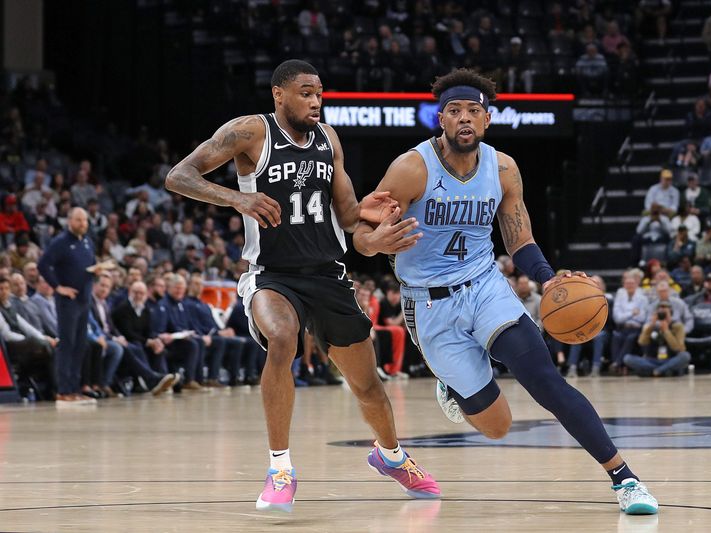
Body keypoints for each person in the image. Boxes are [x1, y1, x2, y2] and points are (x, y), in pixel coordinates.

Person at [353, 68, 657, 514]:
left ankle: (625, 478)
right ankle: (453, 384)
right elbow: (362, 227)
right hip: (429, 303)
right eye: (454, 111)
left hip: (484, 287)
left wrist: (548, 277)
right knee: (497, 427)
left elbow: (519, 239)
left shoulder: (503, 168)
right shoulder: (412, 167)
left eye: (473, 111)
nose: (464, 119)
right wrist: (371, 242)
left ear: (487, 119)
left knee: (546, 382)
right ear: (441, 119)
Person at [164, 59, 440, 512]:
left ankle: (390, 455)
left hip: (327, 273)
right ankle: (280, 469)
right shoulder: (251, 131)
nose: (316, 102)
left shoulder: (329, 138)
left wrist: (375, 225)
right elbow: (179, 176)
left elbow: (349, 219)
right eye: (306, 93)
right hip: (272, 274)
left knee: (367, 385)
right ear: (279, 94)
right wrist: (238, 197)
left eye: (319, 94)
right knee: (281, 336)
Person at [37, 207, 101, 405]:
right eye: (79, 220)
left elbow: (88, 265)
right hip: (68, 302)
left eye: (85, 221)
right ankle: (63, 390)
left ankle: (74, 388)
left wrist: (97, 270)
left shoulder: (88, 241)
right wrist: (58, 287)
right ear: (69, 221)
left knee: (81, 345)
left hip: (84, 300)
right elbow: (43, 264)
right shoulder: (61, 242)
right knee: (67, 345)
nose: (83, 224)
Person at [623, 302, 691, 377]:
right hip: (653, 360)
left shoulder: (678, 327)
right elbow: (642, 343)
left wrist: (666, 331)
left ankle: (657, 371)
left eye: (665, 313)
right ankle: (663, 370)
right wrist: (651, 326)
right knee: (627, 358)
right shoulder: (651, 327)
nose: (662, 316)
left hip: (670, 359)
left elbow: (679, 348)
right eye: (660, 313)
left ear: (671, 314)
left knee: (685, 356)